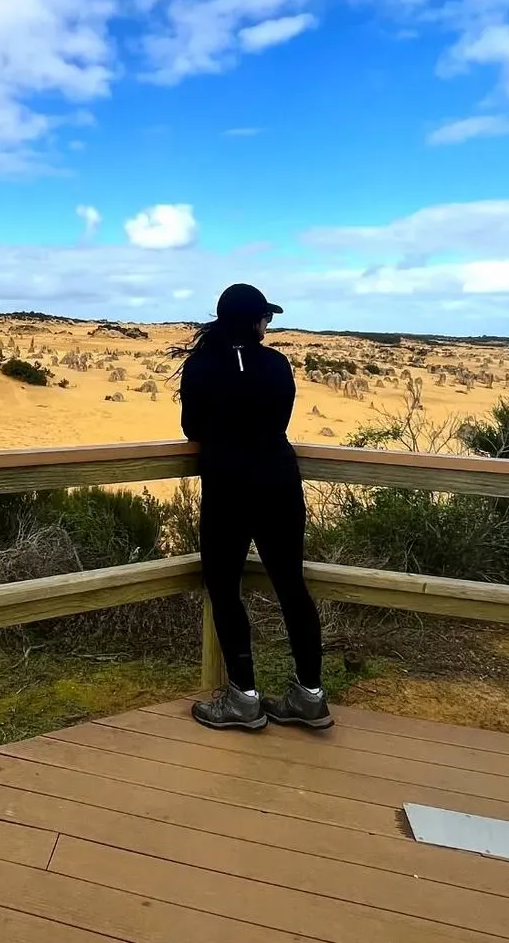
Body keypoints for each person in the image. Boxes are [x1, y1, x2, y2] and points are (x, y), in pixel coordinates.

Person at [178, 283, 330, 730]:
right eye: (265, 317)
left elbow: (191, 428)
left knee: (225, 589)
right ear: (253, 320)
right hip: (279, 482)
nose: (268, 324)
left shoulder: (201, 364)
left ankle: (244, 699)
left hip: (227, 486)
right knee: (291, 586)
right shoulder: (277, 364)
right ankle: (310, 695)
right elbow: (279, 420)